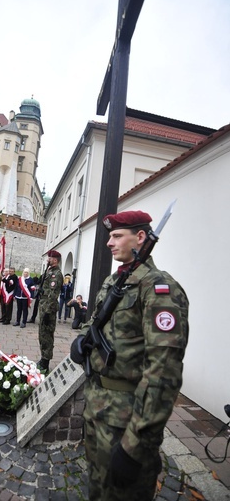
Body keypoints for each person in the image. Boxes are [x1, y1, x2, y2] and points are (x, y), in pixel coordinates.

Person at [70, 210, 189, 501]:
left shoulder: (159, 289)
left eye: (116, 236)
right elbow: (94, 323)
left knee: (124, 494)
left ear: (140, 237)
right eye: (109, 236)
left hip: (127, 418)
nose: (109, 243)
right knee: (98, 486)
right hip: (98, 406)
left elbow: (163, 373)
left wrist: (135, 444)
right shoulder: (115, 282)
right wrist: (81, 341)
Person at [36, 250, 63, 373]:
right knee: (42, 334)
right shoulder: (49, 271)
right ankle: (43, 358)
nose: (48, 259)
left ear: (55, 260)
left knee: (47, 335)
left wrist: (47, 312)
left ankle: (45, 362)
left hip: (49, 308)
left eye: (50, 258)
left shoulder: (56, 274)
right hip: (43, 305)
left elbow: (53, 295)